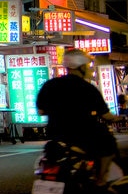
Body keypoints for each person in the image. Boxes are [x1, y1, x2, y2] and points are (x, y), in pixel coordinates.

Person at [36, 48, 124, 185]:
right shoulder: (87, 88)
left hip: (56, 136)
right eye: (87, 67)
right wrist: (117, 118)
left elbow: (41, 111)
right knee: (109, 144)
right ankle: (100, 180)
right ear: (82, 67)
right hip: (84, 137)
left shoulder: (50, 85)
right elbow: (106, 115)